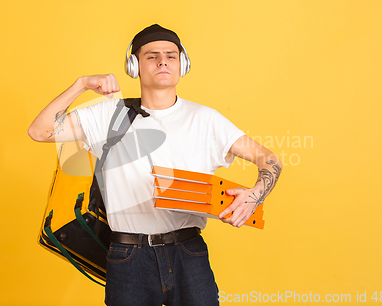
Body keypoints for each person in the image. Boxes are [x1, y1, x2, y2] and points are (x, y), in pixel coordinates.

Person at [28, 24, 282, 306]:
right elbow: (40, 131)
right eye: (152, 56)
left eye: (171, 56)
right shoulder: (109, 115)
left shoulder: (206, 120)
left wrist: (255, 194)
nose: (163, 61)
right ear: (134, 65)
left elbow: (269, 159)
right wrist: (81, 84)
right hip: (128, 257)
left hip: (189, 253)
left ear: (182, 64)